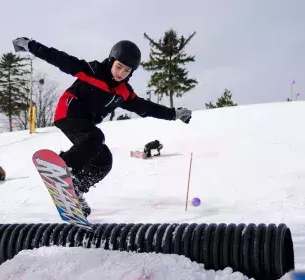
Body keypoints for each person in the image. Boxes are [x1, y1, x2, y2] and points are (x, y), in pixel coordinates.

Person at [12, 37, 192, 217]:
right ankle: (64, 168)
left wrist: (173, 113)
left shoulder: (123, 93)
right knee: (95, 138)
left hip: (86, 123)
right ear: (111, 61)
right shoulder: (94, 71)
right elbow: (60, 59)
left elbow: (146, 108)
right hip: (68, 113)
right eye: (118, 66)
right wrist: (30, 46)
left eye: (126, 70)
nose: (121, 73)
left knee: (104, 160)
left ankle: (75, 190)